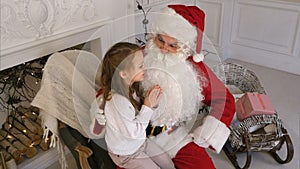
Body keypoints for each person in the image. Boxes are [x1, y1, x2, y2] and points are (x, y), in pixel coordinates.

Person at [139, 4, 236, 169]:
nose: (163, 48)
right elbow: (112, 79)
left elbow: (226, 100)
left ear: (185, 47)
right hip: (132, 129)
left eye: (173, 45)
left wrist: (204, 135)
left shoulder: (194, 68)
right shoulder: (139, 54)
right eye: (160, 39)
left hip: (171, 134)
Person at [99, 42, 176, 169]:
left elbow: (144, 117)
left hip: (140, 141)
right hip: (126, 152)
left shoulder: (132, 88)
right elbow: (133, 132)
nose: (145, 68)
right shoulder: (117, 102)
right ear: (123, 74)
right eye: (140, 66)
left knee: (168, 163)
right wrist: (147, 106)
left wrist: (153, 102)